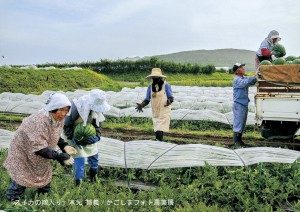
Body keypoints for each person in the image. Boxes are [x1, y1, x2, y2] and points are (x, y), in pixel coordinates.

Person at [3, 93, 77, 202]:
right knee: (23, 174)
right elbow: (40, 148)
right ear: (53, 108)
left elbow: (55, 134)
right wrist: (60, 156)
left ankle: (44, 196)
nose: (64, 113)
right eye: (61, 110)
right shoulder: (39, 121)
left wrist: (64, 146)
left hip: (41, 150)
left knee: (43, 171)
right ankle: (12, 199)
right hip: (24, 150)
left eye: (66, 110)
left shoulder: (59, 119)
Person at [63, 89, 110, 186]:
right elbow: (66, 125)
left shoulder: (96, 109)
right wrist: (73, 138)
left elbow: (97, 125)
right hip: (74, 133)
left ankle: (94, 179)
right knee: (79, 159)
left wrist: (97, 136)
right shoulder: (76, 108)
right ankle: (78, 184)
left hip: (88, 133)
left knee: (94, 155)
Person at [135, 68, 174, 141]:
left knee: (160, 127)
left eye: (156, 77)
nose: (154, 78)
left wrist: (169, 101)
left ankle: (159, 141)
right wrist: (141, 105)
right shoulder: (150, 87)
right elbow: (147, 99)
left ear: (160, 77)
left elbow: (171, 97)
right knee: (157, 126)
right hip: (155, 110)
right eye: (153, 77)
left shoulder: (166, 86)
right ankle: (159, 141)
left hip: (164, 109)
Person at [232, 63, 257, 147]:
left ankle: (240, 140)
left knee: (242, 122)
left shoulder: (243, 77)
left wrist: (256, 77)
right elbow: (245, 83)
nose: (243, 69)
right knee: (238, 122)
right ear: (237, 71)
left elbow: (251, 81)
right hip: (239, 103)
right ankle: (236, 141)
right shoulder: (237, 80)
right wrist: (254, 77)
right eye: (241, 68)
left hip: (243, 103)